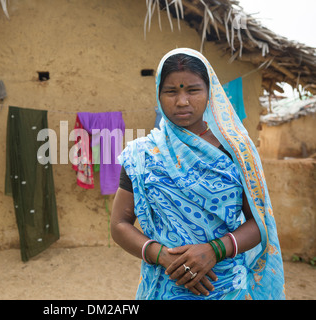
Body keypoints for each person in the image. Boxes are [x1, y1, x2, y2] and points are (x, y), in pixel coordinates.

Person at [111, 48, 285, 300]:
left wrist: (215, 250)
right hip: (164, 284)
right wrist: (161, 255)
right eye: (171, 91)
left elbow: (259, 223)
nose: (182, 101)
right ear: (159, 94)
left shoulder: (236, 152)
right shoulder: (141, 155)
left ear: (210, 92)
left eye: (192, 90)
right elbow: (119, 224)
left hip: (226, 286)